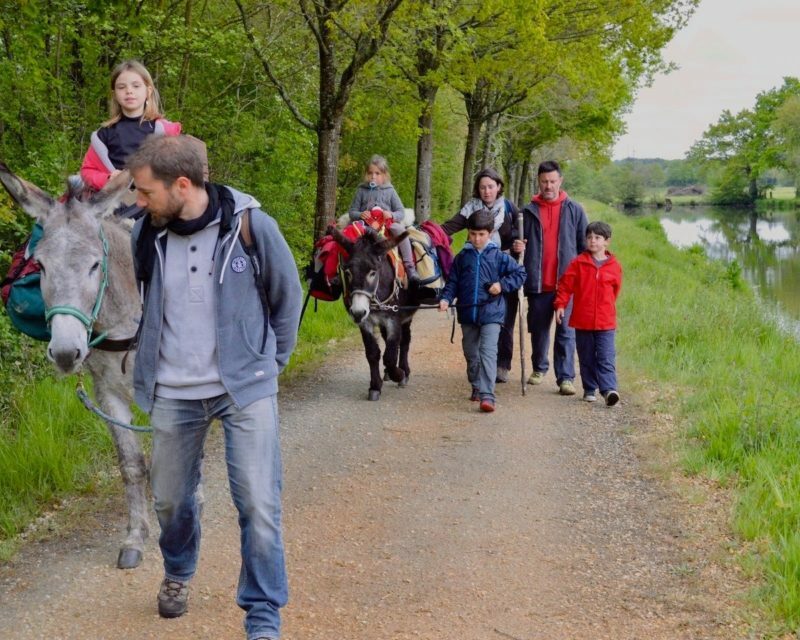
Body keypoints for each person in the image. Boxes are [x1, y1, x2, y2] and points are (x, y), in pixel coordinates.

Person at [127, 135, 302, 640]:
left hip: (244, 387)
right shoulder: (146, 233)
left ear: (182, 185)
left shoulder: (251, 227)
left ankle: (263, 614)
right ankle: (179, 571)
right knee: (170, 501)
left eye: (145, 192)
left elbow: (286, 298)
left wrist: (269, 367)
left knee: (258, 503)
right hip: (172, 391)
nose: (139, 202)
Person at [512, 160, 588, 396]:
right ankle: (539, 368)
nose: (549, 185)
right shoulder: (527, 211)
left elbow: (583, 246)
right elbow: (517, 241)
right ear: (539, 182)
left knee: (566, 331)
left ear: (560, 181)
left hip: (566, 285)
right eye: (544, 181)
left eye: (553, 181)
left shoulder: (575, 210)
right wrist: (517, 245)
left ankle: (565, 378)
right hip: (537, 281)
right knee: (539, 329)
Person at [438, 209, 526, 413]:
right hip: (467, 313)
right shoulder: (462, 258)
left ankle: (488, 396)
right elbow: (452, 282)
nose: (477, 239)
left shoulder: (499, 256)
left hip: (492, 313)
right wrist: (445, 298)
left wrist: (502, 285)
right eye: (473, 234)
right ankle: (476, 384)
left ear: (490, 233)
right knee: (471, 353)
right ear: (468, 233)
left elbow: (520, 273)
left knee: (488, 352)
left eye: (481, 234)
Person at [441, 168, 520, 383]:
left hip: (502, 268)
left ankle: (502, 364)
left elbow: (516, 234)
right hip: (475, 265)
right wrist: (431, 233)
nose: (487, 191)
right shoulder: (470, 210)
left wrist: (518, 246)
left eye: (491, 186)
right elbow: (451, 225)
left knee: (505, 320)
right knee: (476, 320)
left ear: (499, 187)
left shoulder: (509, 208)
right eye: (482, 187)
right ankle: (479, 368)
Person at [80, 59, 181, 193]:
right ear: (114, 94)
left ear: (148, 91)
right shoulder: (104, 134)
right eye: (121, 87)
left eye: (136, 86)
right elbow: (87, 172)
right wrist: (109, 178)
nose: (129, 91)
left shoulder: (164, 131)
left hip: (156, 201)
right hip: (115, 202)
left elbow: (179, 168)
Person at [554, 221, 622, 406]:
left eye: (597, 238)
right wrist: (560, 305)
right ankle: (590, 388)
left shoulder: (614, 266)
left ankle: (609, 390)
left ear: (606, 241)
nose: (592, 241)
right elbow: (565, 287)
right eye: (590, 237)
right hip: (582, 321)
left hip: (605, 322)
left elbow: (615, 291)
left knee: (606, 356)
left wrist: (605, 307)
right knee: (587, 356)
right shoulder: (578, 263)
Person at [348, 154, 419, 282]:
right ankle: (346, 268)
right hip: (366, 225)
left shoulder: (390, 191)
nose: (373, 176)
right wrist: (360, 214)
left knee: (400, 230)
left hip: (386, 225)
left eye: (378, 173)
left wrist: (391, 215)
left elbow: (401, 212)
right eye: (370, 173)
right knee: (348, 233)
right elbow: (352, 212)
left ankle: (410, 267)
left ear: (385, 175)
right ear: (366, 174)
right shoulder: (361, 190)